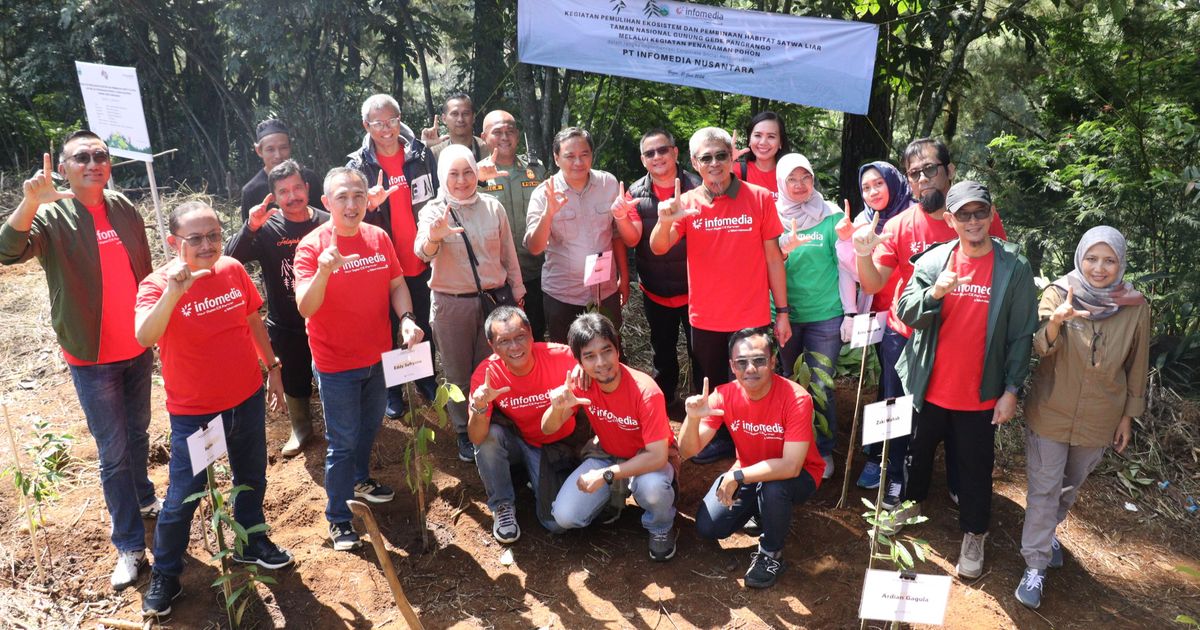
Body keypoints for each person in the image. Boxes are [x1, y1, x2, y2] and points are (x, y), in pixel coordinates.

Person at [0, 134, 158, 591]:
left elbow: (143, 271)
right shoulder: (51, 215)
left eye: (101, 156)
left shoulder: (123, 207)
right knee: (114, 452)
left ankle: (144, 496)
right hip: (91, 356)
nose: (94, 163)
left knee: (141, 431)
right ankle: (129, 545)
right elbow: (7, 251)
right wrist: (29, 201)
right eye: (82, 157)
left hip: (137, 347)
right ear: (64, 167)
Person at [134, 201, 293, 617]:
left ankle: (251, 540)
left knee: (251, 476)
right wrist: (174, 292)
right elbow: (143, 335)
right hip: (196, 414)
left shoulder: (233, 270)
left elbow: (253, 320)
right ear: (173, 242)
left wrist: (272, 368)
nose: (208, 245)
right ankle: (166, 574)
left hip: (246, 398)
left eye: (214, 236)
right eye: (196, 238)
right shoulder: (156, 285)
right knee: (183, 498)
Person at [852, 138, 1007, 509]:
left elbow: (999, 271)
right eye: (914, 174)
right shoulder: (902, 225)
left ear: (949, 171)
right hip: (906, 336)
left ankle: (957, 478)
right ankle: (895, 479)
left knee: (958, 415)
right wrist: (862, 252)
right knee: (900, 409)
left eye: (930, 170)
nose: (923, 180)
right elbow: (874, 284)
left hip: (962, 339)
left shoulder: (980, 217)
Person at [893, 180, 1037, 580]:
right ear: (948, 219)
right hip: (930, 388)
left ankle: (974, 534)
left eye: (980, 213)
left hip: (979, 395)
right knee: (916, 456)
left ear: (991, 215)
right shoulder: (934, 261)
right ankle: (910, 504)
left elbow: (1022, 333)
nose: (973, 221)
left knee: (975, 469)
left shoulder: (1014, 267)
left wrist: (1011, 390)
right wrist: (934, 294)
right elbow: (906, 311)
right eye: (964, 214)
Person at [1015, 226, 1149, 609]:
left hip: (1100, 415)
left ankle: (1046, 533)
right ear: (1080, 257)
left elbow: (1137, 365)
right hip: (1052, 410)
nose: (1099, 268)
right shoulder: (1059, 292)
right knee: (1043, 487)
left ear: (1121, 263)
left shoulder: (1135, 306)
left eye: (1109, 260)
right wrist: (1057, 320)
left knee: (1069, 486)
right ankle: (1035, 564)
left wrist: (1127, 417)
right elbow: (1040, 346)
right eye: (1092, 258)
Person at [294, 167, 424, 551]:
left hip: (378, 357)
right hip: (335, 365)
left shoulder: (378, 238)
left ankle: (360, 480)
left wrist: (406, 319)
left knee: (369, 429)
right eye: (342, 197)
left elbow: (396, 283)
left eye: (358, 196)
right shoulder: (312, 247)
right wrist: (323, 271)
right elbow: (305, 307)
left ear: (368, 199)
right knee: (343, 441)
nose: (351, 205)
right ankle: (338, 517)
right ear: (326, 203)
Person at [649, 126, 792, 463]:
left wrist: (782, 311)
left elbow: (774, 257)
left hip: (752, 314)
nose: (714, 163)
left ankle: (754, 441)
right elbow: (658, 246)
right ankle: (719, 438)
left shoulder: (759, 198)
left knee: (753, 381)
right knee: (710, 386)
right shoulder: (685, 202)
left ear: (732, 157)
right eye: (706, 158)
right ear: (695, 164)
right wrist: (664, 220)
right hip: (706, 316)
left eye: (721, 155)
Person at [679, 328, 826, 589]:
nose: (751, 369)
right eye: (742, 362)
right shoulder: (723, 395)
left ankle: (772, 554)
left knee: (773, 488)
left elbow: (791, 466)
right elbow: (687, 450)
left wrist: (737, 475)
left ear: (772, 362)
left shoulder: (796, 399)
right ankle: (761, 510)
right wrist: (692, 418)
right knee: (708, 527)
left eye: (759, 360)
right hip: (750, 469)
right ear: (732, 366)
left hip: (799, 475)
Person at [415, 144, 525, 461]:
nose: (461, 181)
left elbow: (508, 255)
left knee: (490, 368)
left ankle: (489, 422)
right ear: (442, 176)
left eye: (467, 172)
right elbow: (422, 252)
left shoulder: (493, 207)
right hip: (451, 305)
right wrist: (435, 236)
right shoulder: (434, 211)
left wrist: (517, 291)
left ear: (476, 174)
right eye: (453, 174)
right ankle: (464, 430)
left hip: (494, 302)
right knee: (458, 373)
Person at [542, 313, 678, 561]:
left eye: (606, 351)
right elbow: (547, 428)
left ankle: (660, 525)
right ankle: (611, 498)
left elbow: (657, 456)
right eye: (590, 356)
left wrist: (605, 474)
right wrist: (557, 408)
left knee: (653, 489)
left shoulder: (646, 392)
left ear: (618, 349)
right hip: (607, 454)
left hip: (646, 460)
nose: (601, 362)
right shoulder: (580, 382)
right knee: (564, 516)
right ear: (579, 362)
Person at [346, 94, 440, 427]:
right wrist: (369, 206)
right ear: (365, 126)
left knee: (421, 324)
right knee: (386, 328)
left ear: (400, 120)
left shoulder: (420, 154)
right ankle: (393, 392)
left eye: (392, 121)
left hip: (421, 256)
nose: (386, 130)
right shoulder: (357, 167)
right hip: (380, 263)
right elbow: (348, 217)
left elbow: (437, 196)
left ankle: (425, 382)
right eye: (378, 123)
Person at [227, 159, 330, 457]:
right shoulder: (266, 228)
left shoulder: (326, 222)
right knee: (294, 378)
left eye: (298, 187)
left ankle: (339, 427)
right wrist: (250, 227)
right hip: (286, 322)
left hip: (327, 317)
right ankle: (301, 428)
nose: (293, 195)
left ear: (308, 188)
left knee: (334, 375)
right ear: (273, 195)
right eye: (284, 191)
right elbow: (231, 259)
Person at [467, 306, 583, 541]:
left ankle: (532, 478)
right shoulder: (486, 375)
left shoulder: (564, 358)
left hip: (559, 443)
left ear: (531, 334)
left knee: (555, 523)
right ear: (492, 346)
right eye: (504, 341)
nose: (515, 347)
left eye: (520, 337)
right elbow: (476, 439)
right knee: (490, 436)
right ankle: (502, 504)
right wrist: (479, 407)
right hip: (520, 440)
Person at [774, 153, 857, 480]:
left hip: (826, 316)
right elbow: (763, 266)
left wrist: (850, 313)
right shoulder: (772, 216)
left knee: (820, 384)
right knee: (791, 383)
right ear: (781, 182)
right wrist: (783, 250)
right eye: (792, 179)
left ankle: (822, 449)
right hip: (786, 315)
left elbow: (848, 269)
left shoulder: (832, 216)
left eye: (805, 178)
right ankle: (795, 446)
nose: (799, 185)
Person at [524, 127, 639, 343]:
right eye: (570, 156)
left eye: (584, 154)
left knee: (609, 350)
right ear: (557, 158)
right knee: (568, 355)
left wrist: (623, 276)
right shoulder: (543, 194)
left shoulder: (609, 184)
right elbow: (534, 247)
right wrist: (548, 213)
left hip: (604, 290)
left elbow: (616, 235)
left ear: (592, 155)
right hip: (563, 294)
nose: (578, 162)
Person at [627, 129, 703, 406]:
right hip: (655, 291)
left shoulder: (698, 188)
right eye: (650, 153)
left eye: (662, 150)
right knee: (662, 350)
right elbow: (632, 238)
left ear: (675, 152)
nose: (657, 157)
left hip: (696, 291)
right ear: (643, 160)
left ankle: (703, 407)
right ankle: (666, 406)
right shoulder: (634, 194)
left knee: (701, 353)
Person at [850, 161, 913, 491]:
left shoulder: (914, 216)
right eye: (866, 187)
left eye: (879, 184)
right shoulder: (862, 221)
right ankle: (878, 457)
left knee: (904, 390)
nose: (873, 192)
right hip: (877, 316)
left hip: (912, 318)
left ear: (894, 182)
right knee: (887, 388)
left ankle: (901, 456)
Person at [477, 109, 548, 339]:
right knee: (503, 339)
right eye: (497, 132)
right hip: (497, 278)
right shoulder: (473, 174)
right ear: (484, 137)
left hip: (534, 270)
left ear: (518, 135)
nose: (505, 137)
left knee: (535, 333)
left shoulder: (535, 170)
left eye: (510, 131)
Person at [239, 118, 324, 220]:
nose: (278, 155)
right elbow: (249, 231)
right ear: (259, 151)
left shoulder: (309, 178)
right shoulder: (251, 191)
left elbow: (324, 221)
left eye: (283, 148)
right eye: (270, 149)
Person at [733, 111, 789, 195]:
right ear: (749, 140)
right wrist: (725, 164)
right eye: (758, 135)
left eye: (771, 136)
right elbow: (722, 201)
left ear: (780, 142)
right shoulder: (737, 170)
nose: (763, 142)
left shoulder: (790, 174)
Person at [424, 93, 489, 160]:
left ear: (473, 117)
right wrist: (424, 146)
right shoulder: (435, 153)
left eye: (465, 114)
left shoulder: (487, 149)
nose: (460, 119)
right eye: (454, 114)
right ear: (444, 119)